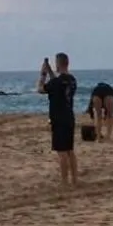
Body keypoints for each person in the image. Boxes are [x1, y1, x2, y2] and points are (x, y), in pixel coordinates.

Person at [37, 52, 78, 185]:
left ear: (58, 64)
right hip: (69, 117)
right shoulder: (72, 80)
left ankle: (64, 181)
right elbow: (58, 83)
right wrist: (50, 70)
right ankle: (74, 179)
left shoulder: (56, 82)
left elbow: (40, 89)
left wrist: (43, 74)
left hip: (58, 119)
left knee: (61, 152)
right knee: (70, 150)